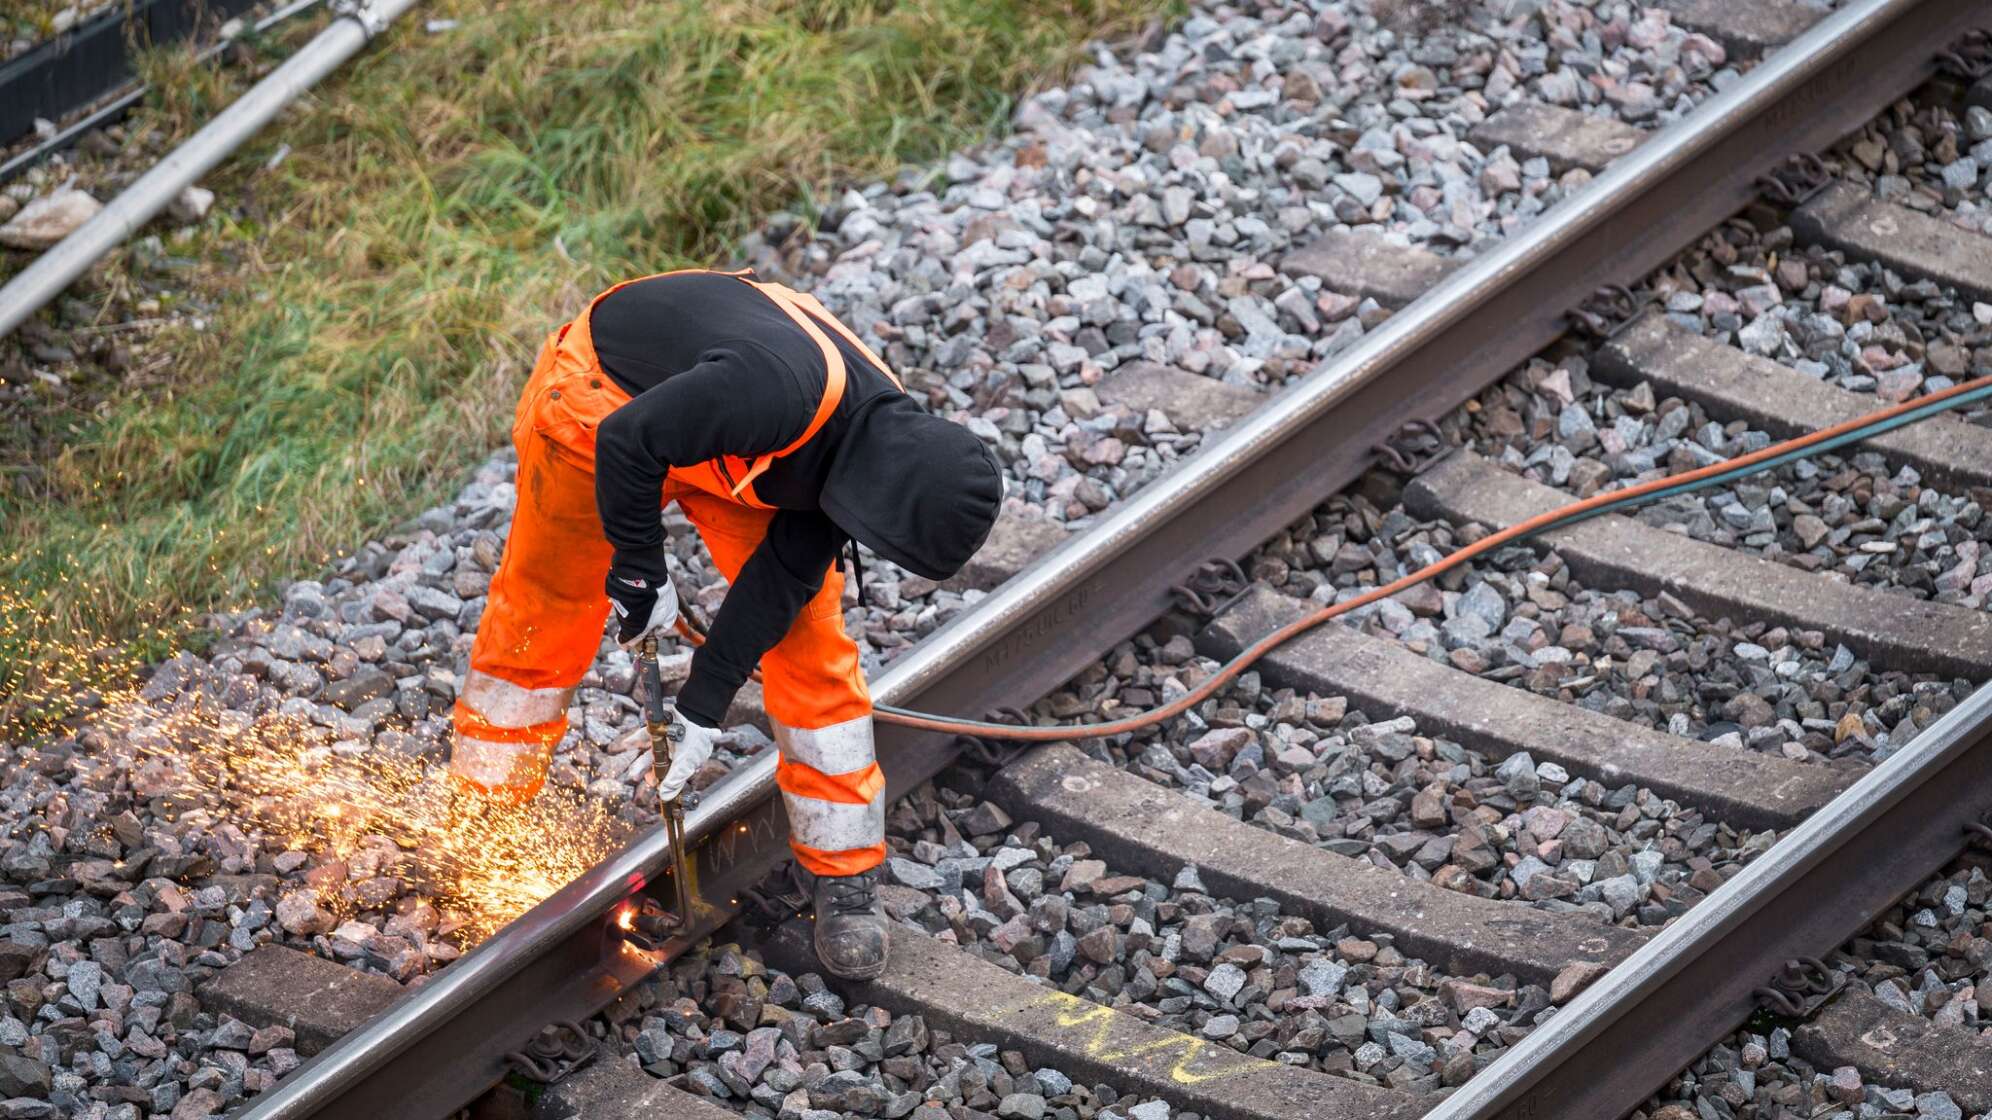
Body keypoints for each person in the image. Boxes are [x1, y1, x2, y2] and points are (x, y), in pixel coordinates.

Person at [449, 268, 1002, 979]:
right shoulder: (775, 393)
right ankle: (484, 817)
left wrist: (703, 703)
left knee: (812, 647)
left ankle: (844, 870)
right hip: (606, 402)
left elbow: (779, 585)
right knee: (547, 611)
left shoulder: (879, 453)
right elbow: (628, 441)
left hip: (732, 433)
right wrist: (642, 569)